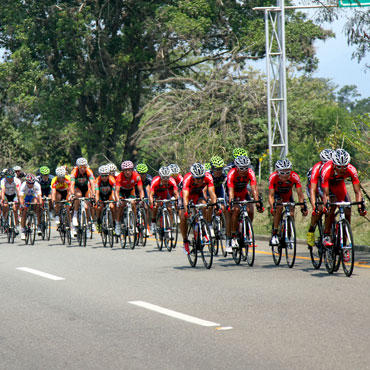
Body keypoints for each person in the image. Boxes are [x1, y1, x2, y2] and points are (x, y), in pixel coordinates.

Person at [320, 149, 367, 247]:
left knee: (348, 210)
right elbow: (325, 194)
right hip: (328, 187)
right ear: (334, 165)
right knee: (331, 206)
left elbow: (357, 191)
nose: (342, 169)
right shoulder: (326, 170)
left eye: (344, 167)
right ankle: (326, 234)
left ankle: (345, 237)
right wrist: (326, 204)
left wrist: (360, 207)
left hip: (340, 186)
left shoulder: (352, 170)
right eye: (339, 167)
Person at [226, 155, 264, 252]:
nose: (244, 170)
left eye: (246, 168)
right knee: (236, 210)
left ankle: (247, 228)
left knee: (250, 210)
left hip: (243, 192)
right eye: (241, 168)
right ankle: (233, 236)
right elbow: (230, 191)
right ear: (237, 167)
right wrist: (231, 202)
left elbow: (254, 188)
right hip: (233, 193)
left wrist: (257, 202)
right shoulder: (231, 173)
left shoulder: (250, 172)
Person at [179, 163, 217, 255]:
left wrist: (215, 206)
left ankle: (201, 227)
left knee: (204, 205)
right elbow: (185, 197)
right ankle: (185, 241)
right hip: (186, 196)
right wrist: (187, 210)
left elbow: (212, 193)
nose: (200, 181)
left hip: (197, 194)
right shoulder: (187, 179)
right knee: (183, 218)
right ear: (193, 176)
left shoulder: (208, 177)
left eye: (202, 178)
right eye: (197, 178)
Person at [268, 159, 308, 246]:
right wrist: (272, 207)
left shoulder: (295, 176)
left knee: (291, 214)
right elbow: (270, 195)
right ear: (278, 172)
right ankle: (274, 234)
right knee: (278, 208)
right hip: (277, 195)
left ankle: (289, 234)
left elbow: (300, 194)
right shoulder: (273, 177)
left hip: (288, 196)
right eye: (282, 173)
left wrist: (303, 207)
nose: (285, 175)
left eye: (287, 172)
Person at [306, 149, 334, 248]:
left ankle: (330, 232)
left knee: (330, 208)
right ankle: (311, 231)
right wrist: (315, 207)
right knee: (320, 209)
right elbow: (314, 190)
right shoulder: (316, 169)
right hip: (314, 188)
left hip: (325, 187)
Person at [115, 160, 144, 236]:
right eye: (125, 170)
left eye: (129, 170)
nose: (127, 172)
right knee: (121, 205)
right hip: (121, 191)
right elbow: (116, 191)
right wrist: (118, 200)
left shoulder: (137, 176)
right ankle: (117, 224)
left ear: (132, 170)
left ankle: (133, 221)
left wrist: (142, 199)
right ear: (123, 171)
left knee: (133, 203)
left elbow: (141, 190)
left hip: (130, 191)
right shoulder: (119, 177)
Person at [70, 157, 96, 237]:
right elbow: (71, 185)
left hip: (85, 188)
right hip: (77, 188)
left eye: (84, 167)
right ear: (77, 167)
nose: (83, 169)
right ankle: (75, 214)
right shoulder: (74, 172)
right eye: (81, 167)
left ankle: (88, 225)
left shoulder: (89, 171)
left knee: (87, 207)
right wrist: (72, 194)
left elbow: (92, 183)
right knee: (78, 195)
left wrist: (93, 194)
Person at [149, 166, 179, 234]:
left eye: (167, 177)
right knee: (155, 206)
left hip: (165, 193)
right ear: (160, 176)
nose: (166, 179)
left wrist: (177, 201)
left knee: (169, 209)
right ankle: (153, 221)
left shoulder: (171, 180)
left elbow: (176, 193)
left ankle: (169, 226)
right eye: (164, 177)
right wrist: (152, 203)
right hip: (156, 194)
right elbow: (151, 195)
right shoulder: (155, 181)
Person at [19, 174, 43, 239]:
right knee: (24, 212)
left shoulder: (37, 185)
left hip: (33, 196)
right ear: (26, 182)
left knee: (36, 204)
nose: (31, 185)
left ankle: (38, 225)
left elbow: (39, 196)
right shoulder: (23, 185)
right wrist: (22, 205)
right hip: (25, 197)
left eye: (32, 183)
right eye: (29, 183)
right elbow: (21, 197)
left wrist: (41, 204)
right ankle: (23, 230)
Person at [95, 165, 117, 233]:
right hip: (101, 195)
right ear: (100, 175)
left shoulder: (112, 180)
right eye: (102, 176)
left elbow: (114, 191)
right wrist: (97, 201)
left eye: (106, 175)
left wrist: (114, 200)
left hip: (109, 195)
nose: (104, 177)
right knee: (99, 207)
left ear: (109, 175)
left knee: (112, 207)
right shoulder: (97, 180)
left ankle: (114, 224)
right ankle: (99, 222)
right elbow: (97, 193)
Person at [0, 168, 21, 234]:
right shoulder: (3, 181)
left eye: (11, 177)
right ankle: (4, 219)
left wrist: (19, 200)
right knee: (5, 206)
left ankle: (16, 225)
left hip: (13, 195)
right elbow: (2, 191)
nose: (10, 178)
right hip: (6, 195)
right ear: (6, 176)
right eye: (8, 177)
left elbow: (18, 191)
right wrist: (3, 200)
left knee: (15, 209)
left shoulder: (17, 181)